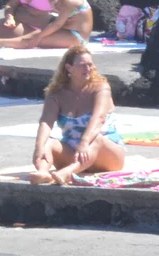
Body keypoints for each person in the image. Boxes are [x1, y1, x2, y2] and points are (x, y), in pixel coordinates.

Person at [30, 43, 125, 183]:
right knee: (47, 142)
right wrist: (39, 146)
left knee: (97, 139)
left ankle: (68, 173)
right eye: (82, 65)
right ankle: (42, 172)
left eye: (90, 64)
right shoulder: (56, 94)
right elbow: (46, 122)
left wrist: (84, 143)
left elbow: (98, 118)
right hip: (74, 153)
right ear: (69, 68)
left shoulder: (101, 88)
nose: (88, 69)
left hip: (107, 155)